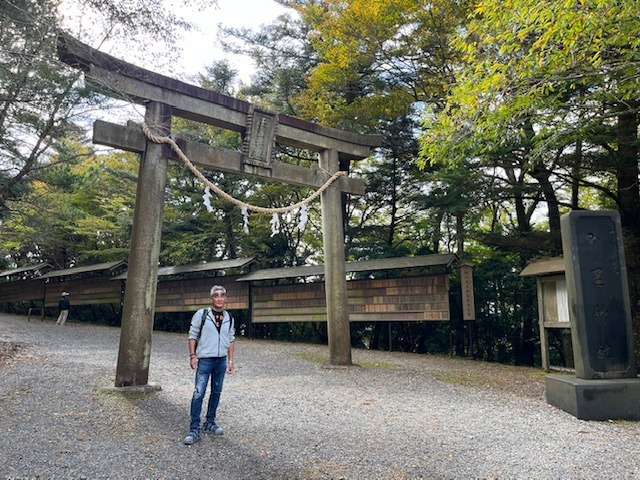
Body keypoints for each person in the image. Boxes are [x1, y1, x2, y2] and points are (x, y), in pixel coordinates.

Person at [184, 285, 236, 446]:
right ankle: (194, 429)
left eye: (222, 295)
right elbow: (192, 336)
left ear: (225, 298)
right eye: (216, 295)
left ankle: (210, 423)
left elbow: (231, 340)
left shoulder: (229, 317)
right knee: (199, 393)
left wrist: (231, 361)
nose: (219, 298)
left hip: (221, 360)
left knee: (216, 392)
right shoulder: (202, 314)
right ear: (212, 298)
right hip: (205, 360)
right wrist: (193, 356)